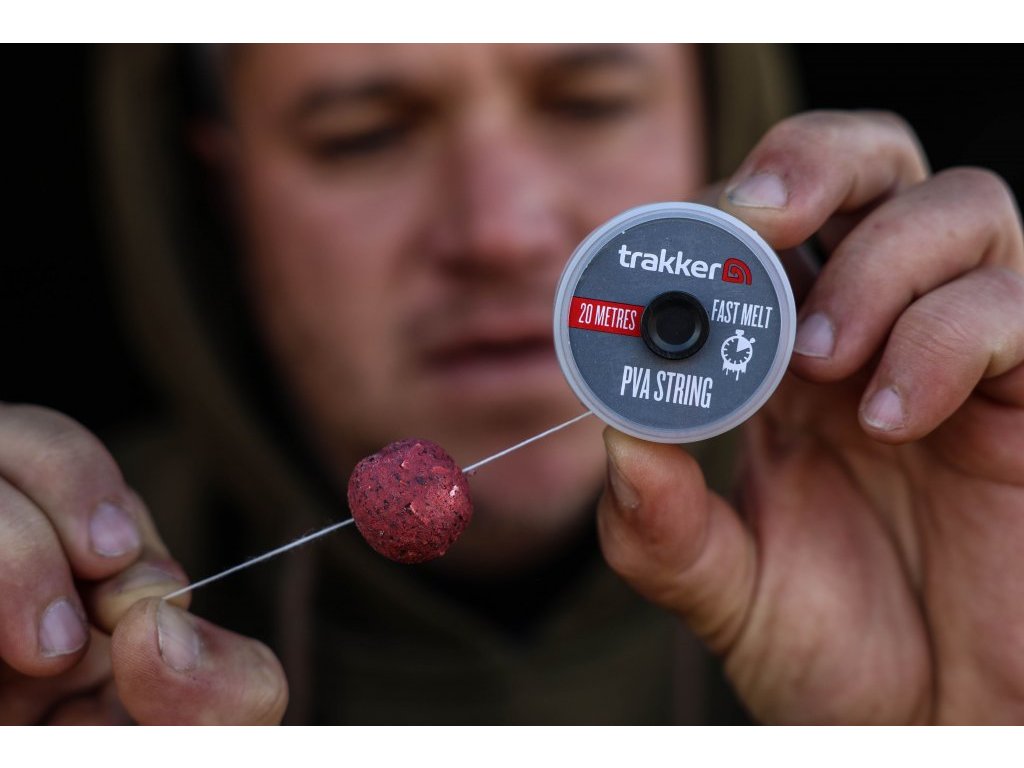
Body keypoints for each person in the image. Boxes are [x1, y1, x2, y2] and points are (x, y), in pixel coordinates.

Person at [2, 43, 1022, 724]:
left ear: (716, 121)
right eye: (363, 133)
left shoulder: (955, 520)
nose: (500, 227)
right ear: (224, 193)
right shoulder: (58, 633)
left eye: (590, 102)